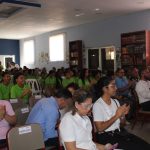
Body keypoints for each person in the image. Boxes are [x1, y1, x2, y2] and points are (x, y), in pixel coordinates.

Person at [92, 76, 150, 150]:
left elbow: (122, 124)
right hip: (106, 137)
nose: (116, 88)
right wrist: (117, 115)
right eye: (113, 86)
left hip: (119, 132)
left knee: (146, 146)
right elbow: (100, 128)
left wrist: (122, 116)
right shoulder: (98, 105)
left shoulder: (115, 102)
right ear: (104, 88)